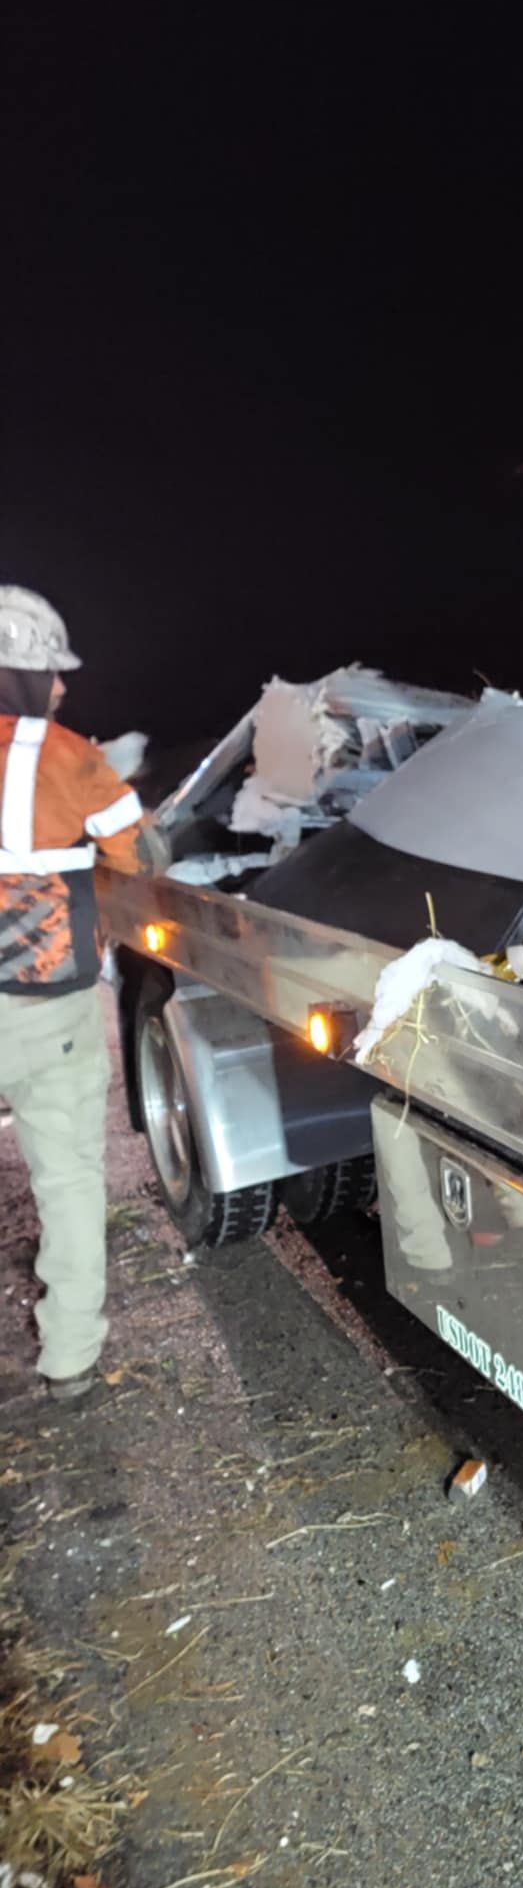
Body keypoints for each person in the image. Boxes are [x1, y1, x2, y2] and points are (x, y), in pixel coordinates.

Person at [0, 587, 151, 1401]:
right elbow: (133, 857)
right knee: (66, 1176)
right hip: (43, 1005)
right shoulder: (67, 756)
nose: (61, 688)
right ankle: (69, 1359)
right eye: (49, 673)